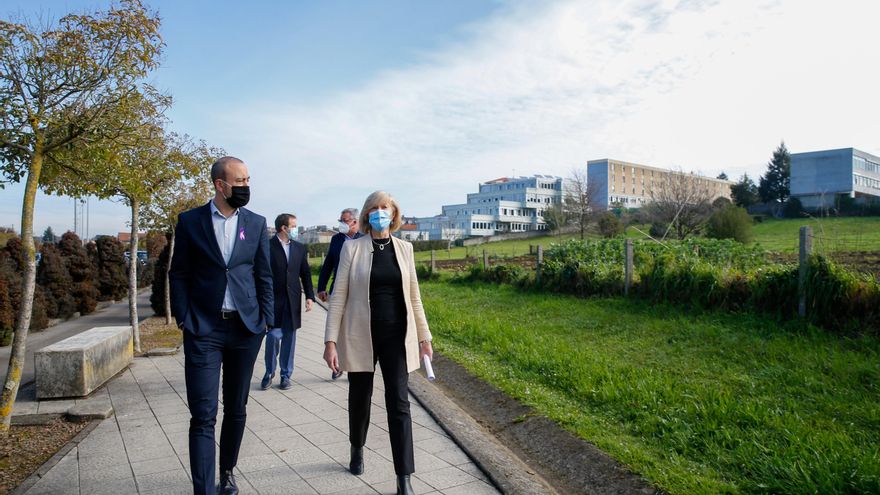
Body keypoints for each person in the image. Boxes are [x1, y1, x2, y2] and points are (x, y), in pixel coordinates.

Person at [169, 156, 274, 495]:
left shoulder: (256, 224)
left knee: (237, 407)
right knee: (203, 414)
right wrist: (183, 316)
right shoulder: (190, 222)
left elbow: (263, 275)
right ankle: (204, 490)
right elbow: (179, 273)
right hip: (204, 329)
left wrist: (266, 320)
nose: (246, 187)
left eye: (248, 180)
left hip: (246, 329)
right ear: (220, 185)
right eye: (240, 181)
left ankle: (227, 472)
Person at [323, 191, 433, 495]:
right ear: (366, 214)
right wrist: (330, 340)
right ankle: (357, 447)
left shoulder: (405, 249)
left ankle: (404, 479)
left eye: (385, 208)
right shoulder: (352, 249)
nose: (380, 212)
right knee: (360, 399)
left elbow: (414, 297)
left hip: (397, 336)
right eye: (374, 208)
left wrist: (424, 337)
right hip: (360, 334)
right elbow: (338, 296)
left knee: (399, 404)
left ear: (394, 213)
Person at [261, 213, 315, 390]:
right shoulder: (267, 247)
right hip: (273, 301)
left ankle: (286, 375)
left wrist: (309, 296)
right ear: (283, 228)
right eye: (293, 226)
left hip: (292, 301)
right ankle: (269, 371)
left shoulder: (300, 248)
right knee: (273, 338)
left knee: (290, 340)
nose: (296, 229)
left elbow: (305, 273)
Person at [317, 207, 362, 380]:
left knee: (356, 328)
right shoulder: (336, 240)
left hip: (359, 290)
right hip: (339, 289)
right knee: (340, 327)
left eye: (345, 221)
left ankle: (357, 364)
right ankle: (339, 363)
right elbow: (328, 264)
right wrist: (322, 287)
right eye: (340, 220)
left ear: (355, 222)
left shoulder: (365, 238)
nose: (342, 224)